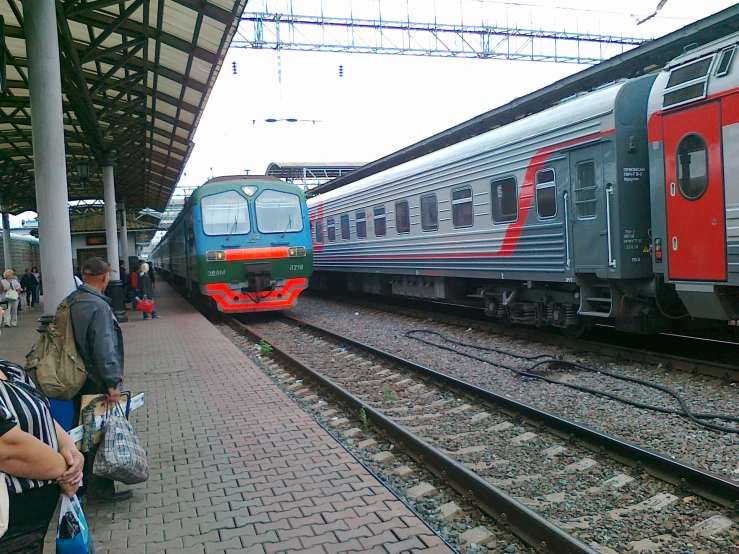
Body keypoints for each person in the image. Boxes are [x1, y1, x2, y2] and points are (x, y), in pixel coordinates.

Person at [64, 257, 132, 503]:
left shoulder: (71, 300)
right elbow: (104, 347)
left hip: (74, 377)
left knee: (81, 433)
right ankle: (100, 490)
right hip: (96, 381)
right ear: (105, 278)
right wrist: (113, 383)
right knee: (99, 435)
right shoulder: (98, 306)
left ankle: (79, 486)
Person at [0, 361, 84, 553]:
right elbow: (8, 449)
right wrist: (66, 472)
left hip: (34, 526)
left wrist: (69, 448)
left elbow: (42, 412)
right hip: (10, 526)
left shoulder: (10, 370)